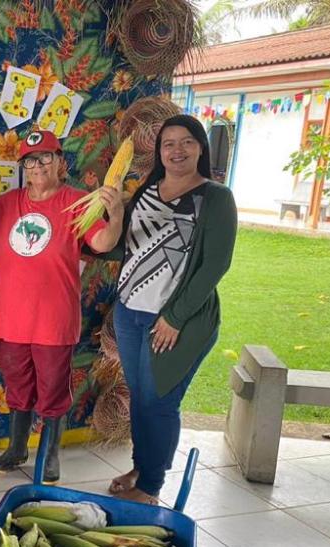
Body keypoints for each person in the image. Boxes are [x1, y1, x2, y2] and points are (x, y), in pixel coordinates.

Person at [0, 130, 124, 483]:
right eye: (29, 160)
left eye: (44, 158)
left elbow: (101, 242)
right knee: (17, 387)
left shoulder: (76, 202)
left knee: (53, 389)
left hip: (54, 321)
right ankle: (18, 446)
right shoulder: (7, 203)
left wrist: (115, 214)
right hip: (11, 321)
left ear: (60, 163)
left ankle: (50, 452)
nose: (37, 166)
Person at [108, 115, 237, 504]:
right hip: (130, 313)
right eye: (168, 144)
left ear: (200, 147)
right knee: (141, 398)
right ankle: (140, 467)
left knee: (160, 401)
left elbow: (216, 264)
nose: (177, 151)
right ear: (159, 152)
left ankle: (151, 487)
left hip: (176, 320)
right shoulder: (146, 192)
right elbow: (123, 247)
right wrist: (102, 223)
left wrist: (175, 317)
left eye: (186, 142)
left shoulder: (214, 198)